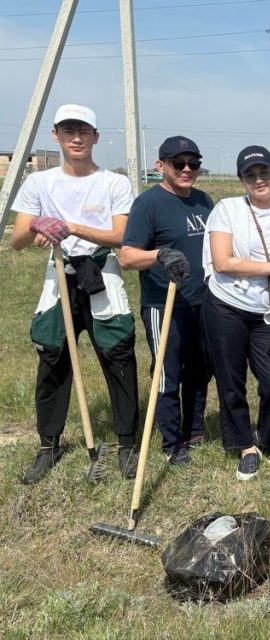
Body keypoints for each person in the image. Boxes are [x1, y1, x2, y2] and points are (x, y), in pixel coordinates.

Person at [11, 104, 140, 485]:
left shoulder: (114, 183)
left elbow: (120, 235)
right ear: (56, 135)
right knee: (52, 358)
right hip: (58, 275)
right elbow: (18, 240)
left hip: (102, 274)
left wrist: (70, 227)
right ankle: (49, 445)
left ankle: (127, 444)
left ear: (96, 136)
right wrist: (37, 224)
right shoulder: (39, 183)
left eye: (84, 130)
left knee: (119, 356)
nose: (77, 138)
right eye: (69, 130)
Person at [202, 145, 270, 481]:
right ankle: (245, 445)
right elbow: (223, 262)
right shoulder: (227, 210)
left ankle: (263, 438)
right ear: (241, 180)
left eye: (265, 172)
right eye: (251, 175)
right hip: (226, 305)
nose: (259, 180)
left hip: (269, 310)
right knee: (231, 379)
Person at [119, 136, 213, 466]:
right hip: (164, 304)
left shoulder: (204, 201)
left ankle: (195, 429)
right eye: (179, 163)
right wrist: (160, 254)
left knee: (200, 372)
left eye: (194, 164)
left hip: (202, 303)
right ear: (161, 166)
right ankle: (172, 443)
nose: (187, 169)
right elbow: (127, 256)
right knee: (166, 374)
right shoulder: (148, 204)